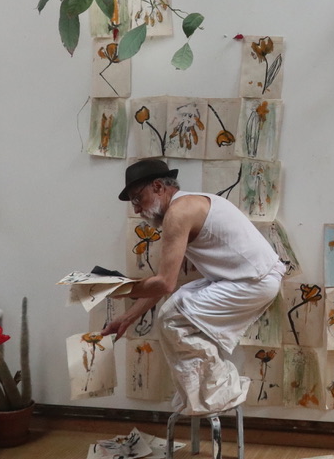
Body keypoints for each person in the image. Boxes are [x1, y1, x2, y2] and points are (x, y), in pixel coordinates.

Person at [101, 158, 285, 415]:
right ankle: (202, 392)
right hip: (246, 278)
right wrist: (128, 317)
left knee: (172, 317)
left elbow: (164, 283)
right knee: (178, 305)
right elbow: (164, 281)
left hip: (253, 281)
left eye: (137, 199)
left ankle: (221, 391)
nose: (137, 209)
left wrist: (112, 288)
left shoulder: (179, 213)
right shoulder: (187, 206)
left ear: (158, 187)